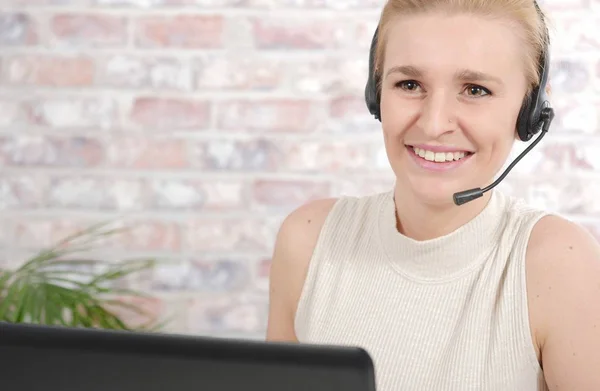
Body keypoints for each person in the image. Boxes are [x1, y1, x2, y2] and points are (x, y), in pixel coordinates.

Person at [265, 0, 600, 390]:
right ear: (377, 95)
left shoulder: (558, 263)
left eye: (475, 89)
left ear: (527, 112)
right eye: (409, 85)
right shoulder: (308, 239)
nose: (434, 123)